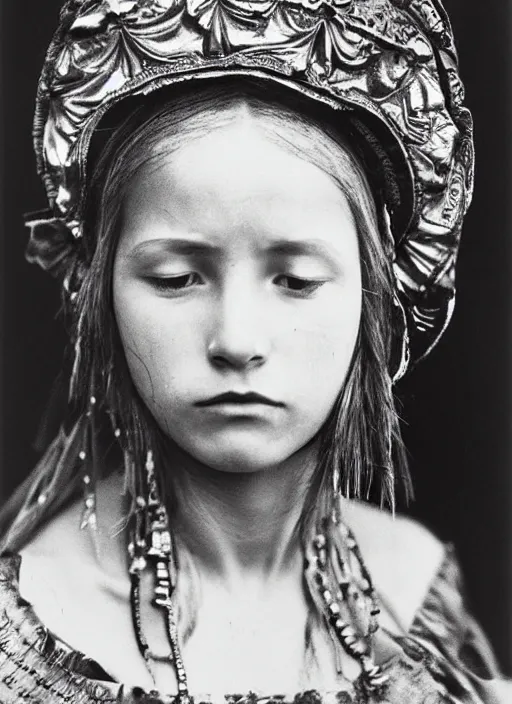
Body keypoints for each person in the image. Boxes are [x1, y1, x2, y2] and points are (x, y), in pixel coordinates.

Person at [0, 0, 509, 702]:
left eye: (295, 280)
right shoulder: (26, 638)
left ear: (376, 296)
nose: (237, 339)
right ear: (99, 290)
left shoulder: (417, 593)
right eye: (178, 278)